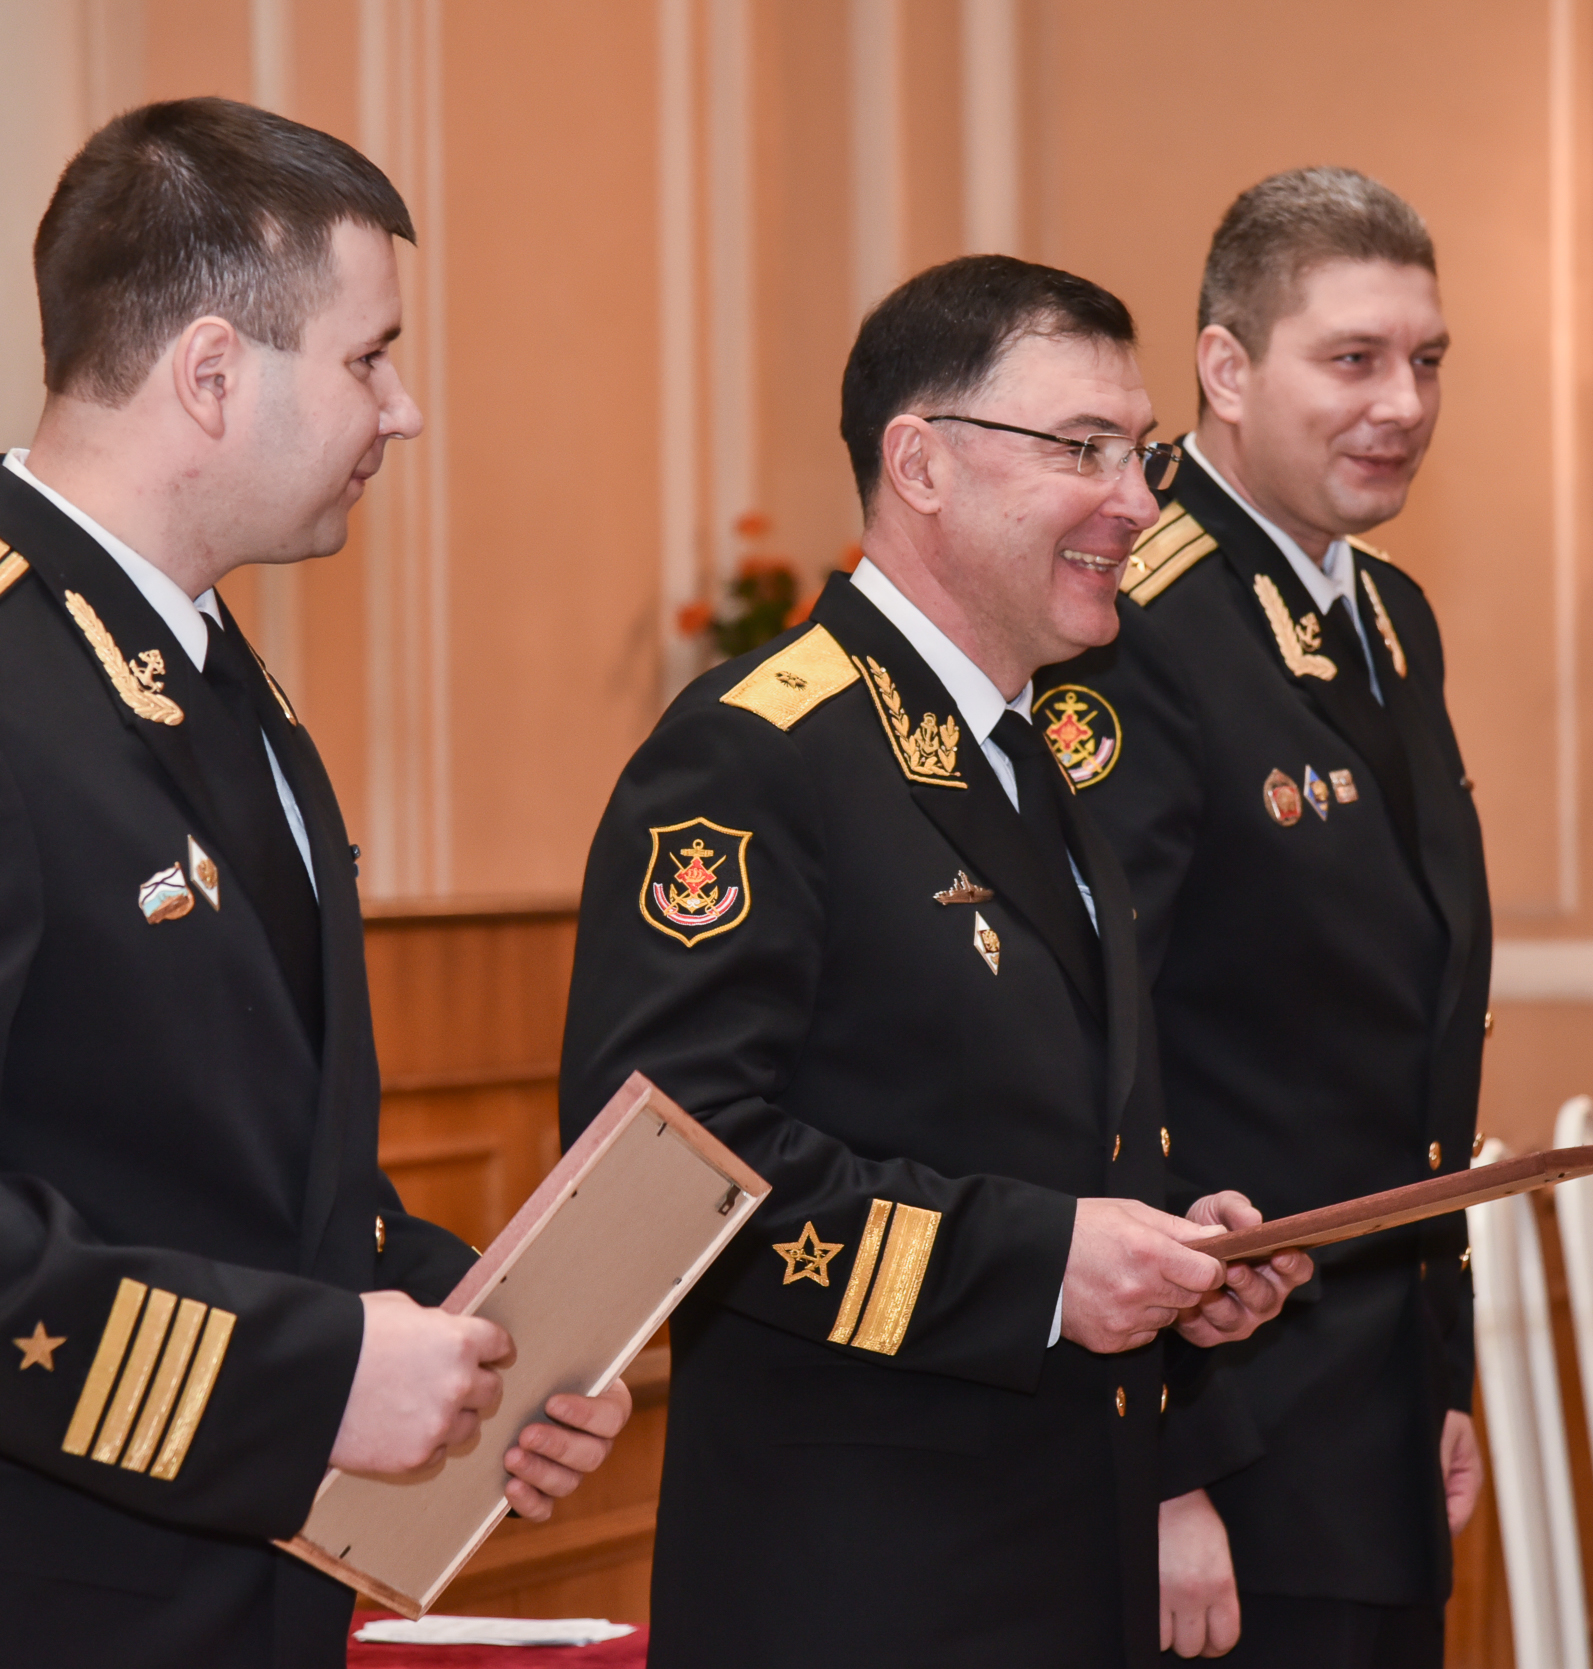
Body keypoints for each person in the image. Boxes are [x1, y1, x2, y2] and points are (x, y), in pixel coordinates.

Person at [0, 99, 628, 1669]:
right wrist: (307, 1377)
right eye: (369, 358)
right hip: (2, 1613)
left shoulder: (205, 674)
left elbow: (225, 1158)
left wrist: (469, 1332)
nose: (402, 413)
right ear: (211, 373)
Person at [557, 254, 1315, 1669]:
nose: (1138, 501)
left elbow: (1030, 1126)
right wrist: (1046, 1267)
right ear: (920, 464)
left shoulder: (1034, 755)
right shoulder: (758, 753)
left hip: (1058, 1550)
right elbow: (664, 1170)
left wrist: (1172, 1254)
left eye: (1139, 452)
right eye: (1082, 448)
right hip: (862, 1581)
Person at [1043, 167, 1491, 1666]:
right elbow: (1093, 1054)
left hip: (1369, 1418)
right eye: (1352, 359)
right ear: (1225, 371)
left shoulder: (1389, 616)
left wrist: (1439, 1376)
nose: (1403, 404)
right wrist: (1165, 1465)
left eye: (1426, 360)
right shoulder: (1138, 618)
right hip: (1230, 1442)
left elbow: (1405, 1049)